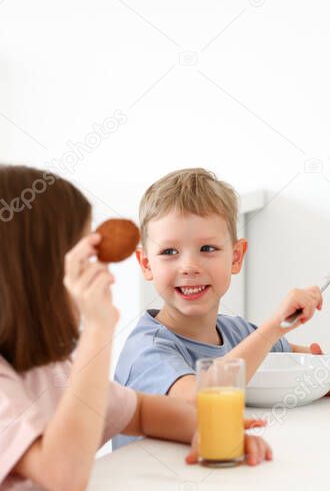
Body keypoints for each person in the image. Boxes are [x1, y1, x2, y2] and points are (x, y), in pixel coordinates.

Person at [0, 166, 273, 490]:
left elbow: (141, 411)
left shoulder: (51, 371)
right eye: (85, 261)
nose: (100, 272)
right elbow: (64, 476)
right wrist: (98, 328)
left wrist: (212, 431)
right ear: (40, 274)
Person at [114, 168, 330, 447]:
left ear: (236, 257)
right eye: (169, 252)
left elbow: (314, 363)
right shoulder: (147, 350)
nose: (189, 266)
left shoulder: (237, 333)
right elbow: (198, 403)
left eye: (207, 249)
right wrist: (274, 326)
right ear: (146, 264)